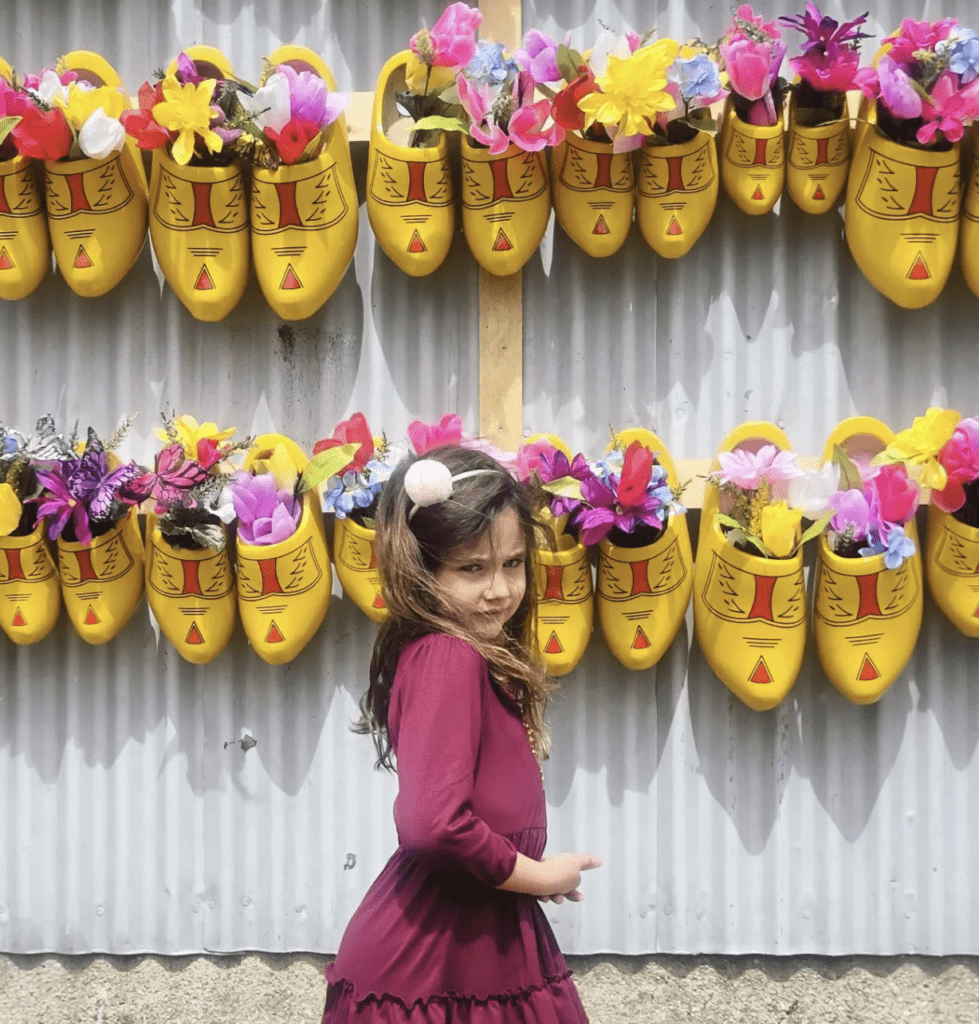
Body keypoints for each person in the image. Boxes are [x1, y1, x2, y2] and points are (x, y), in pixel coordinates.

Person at [322, 443, 602, 1023]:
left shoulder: (460, 654)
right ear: (423, 571)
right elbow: (434, 826)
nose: (499, 590)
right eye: (471, 568)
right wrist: (540, 874)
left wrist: (524, 878)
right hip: (432, 966)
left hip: (477, 950)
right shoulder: (450, 655)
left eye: (514, 563)